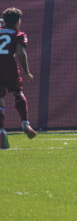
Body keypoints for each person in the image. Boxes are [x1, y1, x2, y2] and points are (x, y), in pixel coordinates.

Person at [0, 8, 37, 149]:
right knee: (17, 93)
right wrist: (27, 72)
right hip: (9, 66)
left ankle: (2, 130)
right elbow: (21, 52)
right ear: (18, 21)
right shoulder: (19, 34)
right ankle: (25, 123)